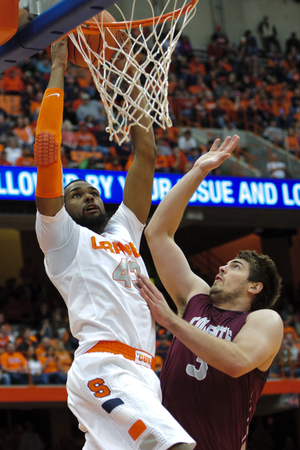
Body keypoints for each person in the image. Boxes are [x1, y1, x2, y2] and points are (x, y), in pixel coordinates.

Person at [34, 37, 195, 450]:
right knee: (173, 445)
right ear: (62, 207)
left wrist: (124, 69)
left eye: (92, 191)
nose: (89, 196)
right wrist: (58, 69)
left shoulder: (124, 229)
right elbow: (48, 152)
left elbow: (146, 152)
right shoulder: (62, 240)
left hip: (143, 373)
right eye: (76, 193)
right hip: (105, 366)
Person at [137, 135, 284, 450]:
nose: (221, 268)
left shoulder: (263, 321)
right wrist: (197, 172)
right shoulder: (196, 298)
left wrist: (173, 322)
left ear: (254, 286)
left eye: (235, 267)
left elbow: (236, 361)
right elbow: (158, 233)